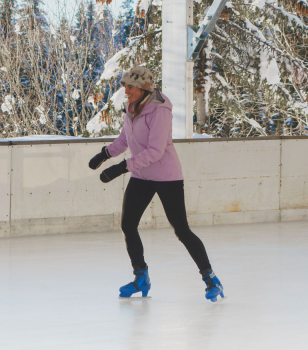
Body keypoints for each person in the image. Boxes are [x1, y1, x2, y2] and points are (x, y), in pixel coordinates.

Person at [88, 66, 224, 303]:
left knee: (181, 230)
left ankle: (211, 279)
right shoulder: (132, 108)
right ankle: (141, 277)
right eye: (124, 86)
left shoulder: (159, 110)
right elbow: (125, 138)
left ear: (142, 88)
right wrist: (105, 154)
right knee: (128, 225)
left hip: (166, 176)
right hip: (142, 176)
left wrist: (122, 167)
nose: (126, 91)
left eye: (129, 87)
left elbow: (156, 151)